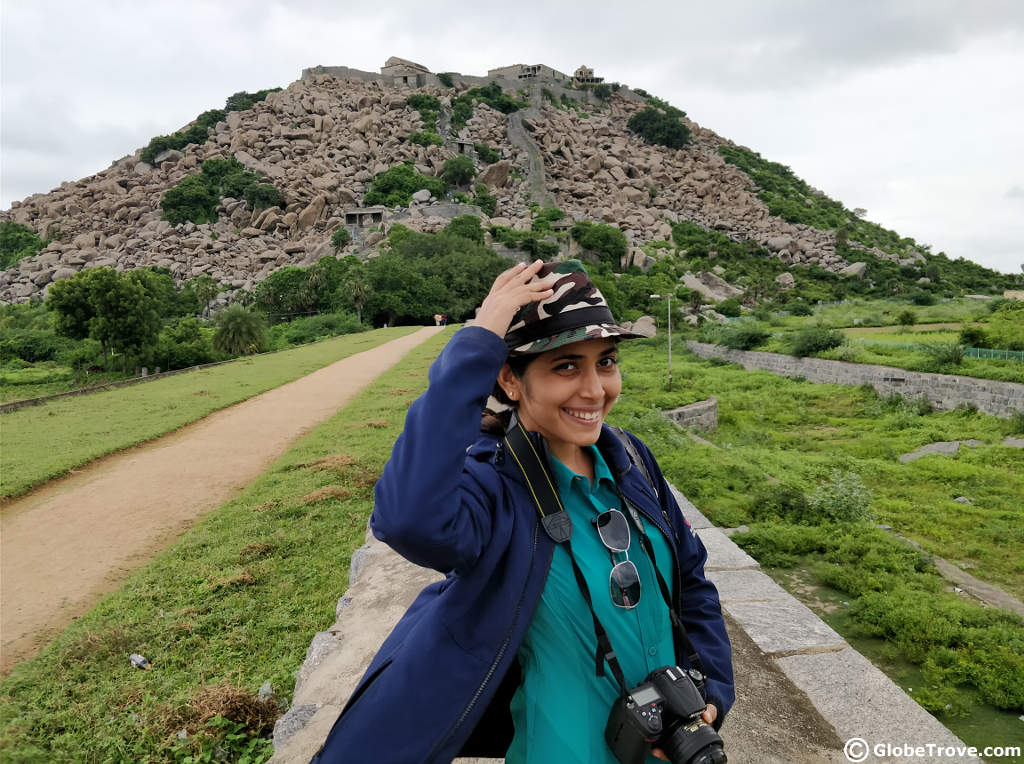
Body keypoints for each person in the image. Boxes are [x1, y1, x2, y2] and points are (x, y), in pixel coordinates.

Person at [312, 260, 734, 763]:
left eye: (606, 361)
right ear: (511, 380)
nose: (595, 390)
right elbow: (407, 519)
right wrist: (479, 338)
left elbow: (691, 580)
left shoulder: (633, 461)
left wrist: (710, 689)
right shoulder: (495, 490)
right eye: (566, 366)